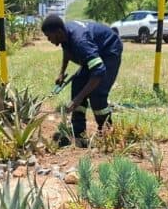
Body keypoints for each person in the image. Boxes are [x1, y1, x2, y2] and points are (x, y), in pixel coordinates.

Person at [41, 14, 123, 146]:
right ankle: (79, 135)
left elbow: (99, 71)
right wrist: (62, 72)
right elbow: (67, 49)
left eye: (49, 36)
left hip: (108, 50)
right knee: (78, 84)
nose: (49, 39)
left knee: (97, 94)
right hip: (94, 50)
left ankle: (107, 134)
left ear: (59, 32)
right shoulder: (65, 34)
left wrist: (78, 98)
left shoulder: (80, 41)